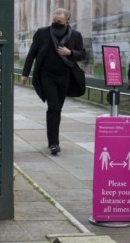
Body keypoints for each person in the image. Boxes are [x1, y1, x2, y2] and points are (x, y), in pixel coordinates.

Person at [20, 8, 86, 155]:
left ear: (67, 22)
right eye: (54, 21)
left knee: (57, 109)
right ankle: (54, 143)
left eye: (59, 22)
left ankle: (53, 140)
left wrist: (70, 53)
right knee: (53, 107)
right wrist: (25, 74)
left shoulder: (75, 35)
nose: (56, 23)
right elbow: (32, 54)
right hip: (46, 75)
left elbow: (82, 54)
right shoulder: (43, 33)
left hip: (65, 76)